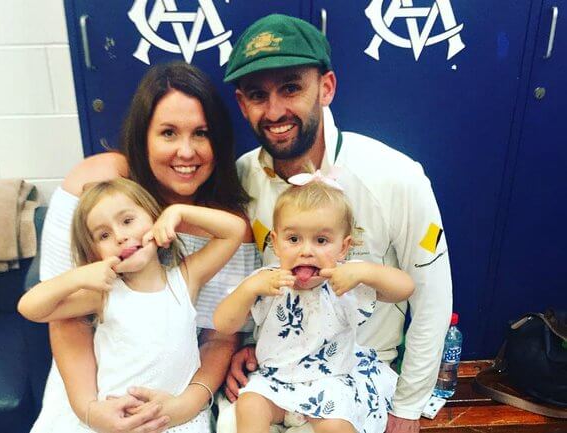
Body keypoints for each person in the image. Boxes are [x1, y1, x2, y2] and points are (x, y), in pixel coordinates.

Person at [220, 14, 453, 433]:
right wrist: (248, 346)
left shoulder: (395, 176)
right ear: (242, 104)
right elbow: (244, 288)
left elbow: (432, 297)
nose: (275, 111)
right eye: (258, 95)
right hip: (277, 374)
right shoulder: (243, 177)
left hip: (358, 377)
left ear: (325, 87)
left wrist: (409, 406)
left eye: (291, 87)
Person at [38, 62, 259, 433]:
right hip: (91, 385)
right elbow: (64, 317)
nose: (186, 152)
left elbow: (219, 337)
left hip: (176, 393)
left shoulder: (226, 223)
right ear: (143, 136)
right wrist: (90, 410)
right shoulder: (95, 187)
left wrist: (185, 404)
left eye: (201, 134)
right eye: (168, 133)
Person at [19, 178, 246, 432]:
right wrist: (76, 277)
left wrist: (177, 213)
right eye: (104, 235)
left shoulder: (185, 279)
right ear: (95, 252)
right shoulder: (103, 294)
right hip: (118, 420)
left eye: (128, 221)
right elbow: (30, 308)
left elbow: (234, 231)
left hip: (174, 418)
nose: (120, 236)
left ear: (152, 219)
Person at [213, 176, 415, 433]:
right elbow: (223, 323)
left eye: (321, 241)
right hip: (276, 380)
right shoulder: (268, 281)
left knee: (338, 426)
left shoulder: (345, 280)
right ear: (275, 243)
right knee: (249, 405)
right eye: (293, 239)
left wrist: (365, 273)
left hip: (330, 382)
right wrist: (248, 290)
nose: (306, 251)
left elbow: (405, 287)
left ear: (344, 247)